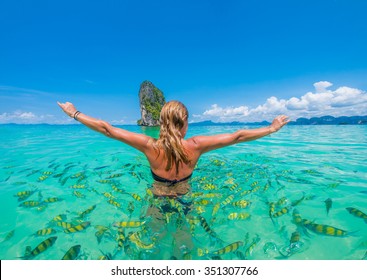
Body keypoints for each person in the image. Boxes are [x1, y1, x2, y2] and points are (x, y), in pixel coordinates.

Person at [57, 100, 289, 259]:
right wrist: (271, 128)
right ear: (185, 122)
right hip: (185, 199)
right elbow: (237, 136)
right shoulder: (196, 146)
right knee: (184, 240)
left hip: (158, 199)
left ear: (161, 122)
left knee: (152, 239)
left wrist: (74, 113)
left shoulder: (149, 146)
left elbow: (107, 129)